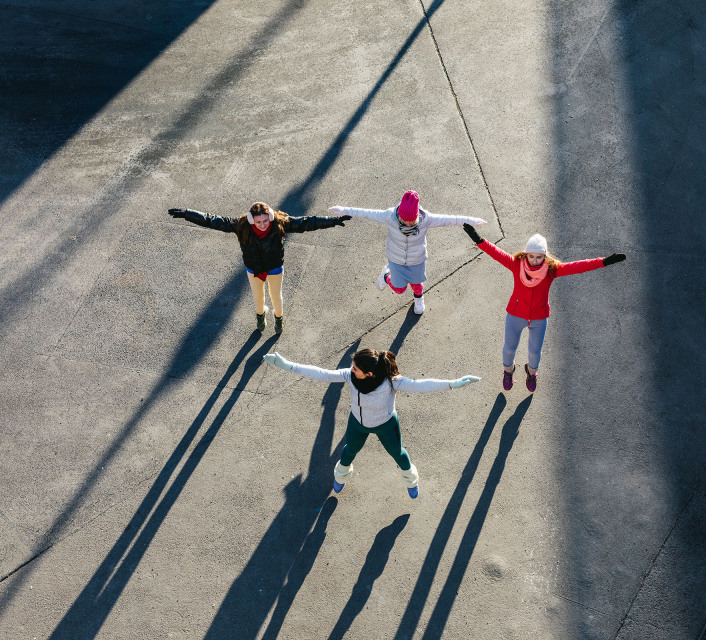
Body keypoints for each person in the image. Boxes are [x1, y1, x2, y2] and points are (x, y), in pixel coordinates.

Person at [263, 348, 480, 498]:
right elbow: (322, 374)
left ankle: (411, 481)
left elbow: (421, 385)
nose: (351, 370)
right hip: (357, 423)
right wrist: (287, 365)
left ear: (368, 374)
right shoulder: (350, 376)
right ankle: (341, 475)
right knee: (348, 452)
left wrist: (452, 384)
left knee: (399, 454)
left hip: (386, 424)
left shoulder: (392, 383)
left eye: (356, 368)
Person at [463, 224, 626, 392]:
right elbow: (496, 253)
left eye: (538, 257)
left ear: (545, 257)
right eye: (531, 256)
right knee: (509, 349)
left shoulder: (552, 270)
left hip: (538, 318)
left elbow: (578, 266)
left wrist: (604, 262)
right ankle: (508, 371)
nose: (534, 260)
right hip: (515, 314)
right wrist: (478, 239)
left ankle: (532, 373)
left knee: (534, 353)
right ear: (526, 254)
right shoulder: (516, 264)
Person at [168, 202, 351, 333]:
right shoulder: (241, 226)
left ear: (270, 217)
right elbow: (212, 221)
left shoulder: (279, 223)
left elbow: (307, 223)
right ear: (251, 220)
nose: (263, 225)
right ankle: (260, 314)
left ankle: (278, 319)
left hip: (274, 268)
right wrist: (187, 213)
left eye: (265, 221)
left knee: (276, 296)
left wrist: (333, 221)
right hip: (253, 269)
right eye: (258, 222)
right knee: (258, 297)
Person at [328, 190, 486, 315]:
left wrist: (471, 220)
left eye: (412, 220)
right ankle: (385, 275)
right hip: (396, 260)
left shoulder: (427, 219)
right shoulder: (389, 216)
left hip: (416, 260)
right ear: (399, 215)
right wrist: (345, 210)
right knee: (399, 289)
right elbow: (367, 213)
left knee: (417, 285)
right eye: (405, 220)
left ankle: (419, 299)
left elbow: (449, 219)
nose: (409, 223)